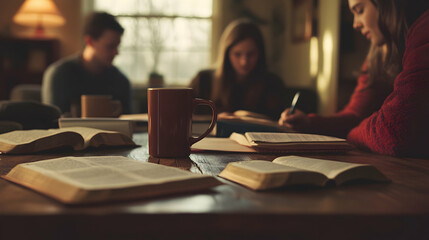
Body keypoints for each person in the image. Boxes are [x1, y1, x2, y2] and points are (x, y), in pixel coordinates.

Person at [279, 0, 429, 157]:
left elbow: (394, 129)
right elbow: (355, 115)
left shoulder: (424, 29)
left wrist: (351, 135)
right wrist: (310, 123)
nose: (355, 24)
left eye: (360, 10)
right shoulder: (377, 55)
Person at [189, 18, 287, 120]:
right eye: (237, 54)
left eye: (251, 54)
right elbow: (184, 115)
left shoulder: (273, 83)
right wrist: (213, 119)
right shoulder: (203, 80)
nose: (244, 62)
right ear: (227, 54)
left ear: (260, 54)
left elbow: (278, 121)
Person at [42, 12, 132, 116]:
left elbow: (128, 122)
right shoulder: (59, 75)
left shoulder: (121, 81)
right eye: (110, 46)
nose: (116, 52)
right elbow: (53, 122)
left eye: (117, 46)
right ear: (89, 41)